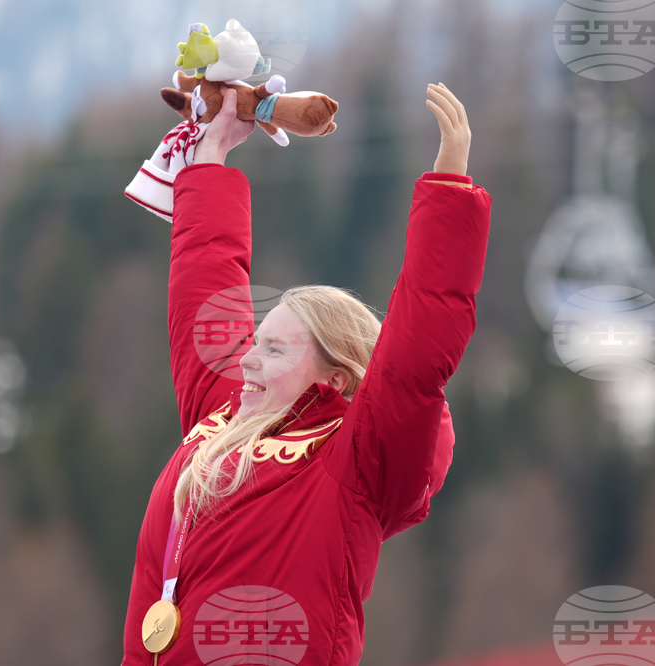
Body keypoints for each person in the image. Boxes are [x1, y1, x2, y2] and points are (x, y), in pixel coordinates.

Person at [122, 83, 492, 665]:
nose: (246, 359)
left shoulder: (353, 460)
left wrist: (448, 190)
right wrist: (211, 155)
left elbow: (417, 351)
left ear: (338, 379)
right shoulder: (221, 420)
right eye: (254, 343)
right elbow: (206, 283)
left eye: (273, 350)